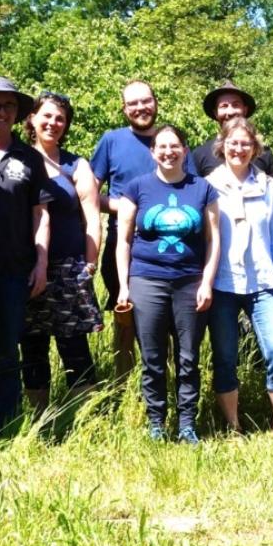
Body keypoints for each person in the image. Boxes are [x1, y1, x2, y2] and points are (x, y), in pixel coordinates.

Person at [116, 125, 220, 443]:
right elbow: (123, 240)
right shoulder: (137, 188)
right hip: (147, 280)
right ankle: (157, 423)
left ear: (184, 150)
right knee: (153, 357)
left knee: (189, 357)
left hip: (190, 282)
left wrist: (207, 282)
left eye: (174, 146)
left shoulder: (203, 189)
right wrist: (124, 286)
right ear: (153, 152)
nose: (168, 152)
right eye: (161, 146)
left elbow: (214, 240)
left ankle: (187, 423)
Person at [0, 77, 52, 434]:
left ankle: (7, 421)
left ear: (18, 114)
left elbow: (40, 214)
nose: (1, 112)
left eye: (8, 106)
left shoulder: (30, 157)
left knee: (8, 351)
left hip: (14, 270)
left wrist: (42, 262)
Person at [206, 117, 273, 437]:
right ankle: (233, 426)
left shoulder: (268, 185)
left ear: (254, 148)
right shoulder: (209, 185)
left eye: (245, 144)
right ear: (222, 146)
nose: (239, 149)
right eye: (233, 143)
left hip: (263, 281)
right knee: (226, 355)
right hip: (223, 283)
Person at [21, 92, 103, 415]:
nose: (53, 123)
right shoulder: (19, 159)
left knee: (75, 347)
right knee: (32, 346)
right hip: (26, 267)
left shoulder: (76, 164)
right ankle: (39, 421)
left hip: (70, 268)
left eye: (60, 119)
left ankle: (86, 419)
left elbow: (93, 219)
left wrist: (91, 265)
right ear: (32, 118)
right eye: (47, 116)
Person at [91, 81, 165, 378]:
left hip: (167, 245)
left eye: (145, 101)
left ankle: (161, 384)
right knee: (125, 316)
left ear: (155, 102)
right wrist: (122, 206)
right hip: (122, 244)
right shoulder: (112, 140)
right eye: (133, 103)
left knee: (164, 320)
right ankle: (123, 387)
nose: (140, 108)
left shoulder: (168, 141)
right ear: (124, 109)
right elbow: (90, 195)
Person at [192, 81, 273, 177]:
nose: (230, 111)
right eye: (224, 106)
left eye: (235, 105)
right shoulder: (200, 155)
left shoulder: (264, 154)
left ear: (245, 110)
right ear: (216, 113)